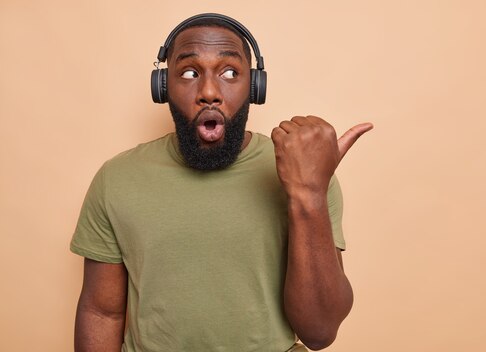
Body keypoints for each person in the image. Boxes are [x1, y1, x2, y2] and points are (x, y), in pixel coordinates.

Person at [70, 13, 373, 352]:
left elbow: (320, 332)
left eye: (230, 73)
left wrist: (310, 194)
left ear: (255, 87)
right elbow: (102, 312)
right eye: (188, 72)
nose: (209, 92)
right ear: (162, 87)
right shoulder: (117, 179)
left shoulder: (306, 172)